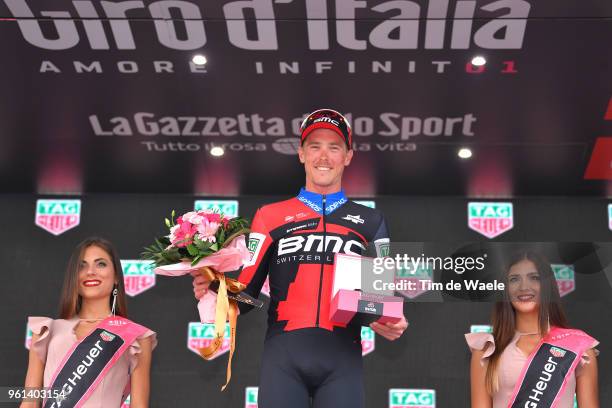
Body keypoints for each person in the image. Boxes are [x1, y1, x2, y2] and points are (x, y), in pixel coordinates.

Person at [193, 108, 407, 407]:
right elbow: (248, 292)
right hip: (283, 360)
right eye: (315, 146)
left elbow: (382, 293)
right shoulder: (270, 216)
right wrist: (214, 289)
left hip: (343, 361)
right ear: (301, 153)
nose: (324, 156)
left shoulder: (371, 221)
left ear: (348, 156)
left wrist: (392, 317)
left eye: (334, 147)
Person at [21, 237, 156, 408]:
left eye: (100, 264)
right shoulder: (45, 331)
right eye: (82, 266)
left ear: (116, 277)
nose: (90, 271)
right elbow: (29, 402)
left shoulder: (135, 337)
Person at [466, 250, 599, 408]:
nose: (524, 287)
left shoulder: (578, 348)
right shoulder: (486, 350)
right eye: (514, 279)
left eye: (534, 278)